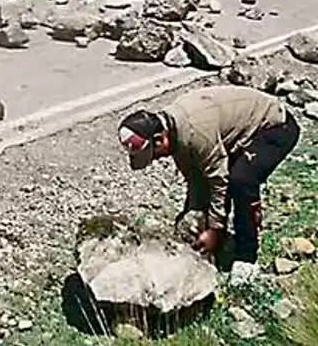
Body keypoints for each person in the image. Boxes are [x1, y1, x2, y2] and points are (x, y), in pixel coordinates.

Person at [117, 86, 300, 264]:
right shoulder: (175, 134)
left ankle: (246, 257)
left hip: (274, 126)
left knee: (241, 180)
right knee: (210, 187)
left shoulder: (196, 133)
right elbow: (195, 179)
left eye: (153, 154)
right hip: (237, 134)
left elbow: (219, 179)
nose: (155, 159)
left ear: (160, 139)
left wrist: (214, 230)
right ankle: (215, 248)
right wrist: (193, 215)